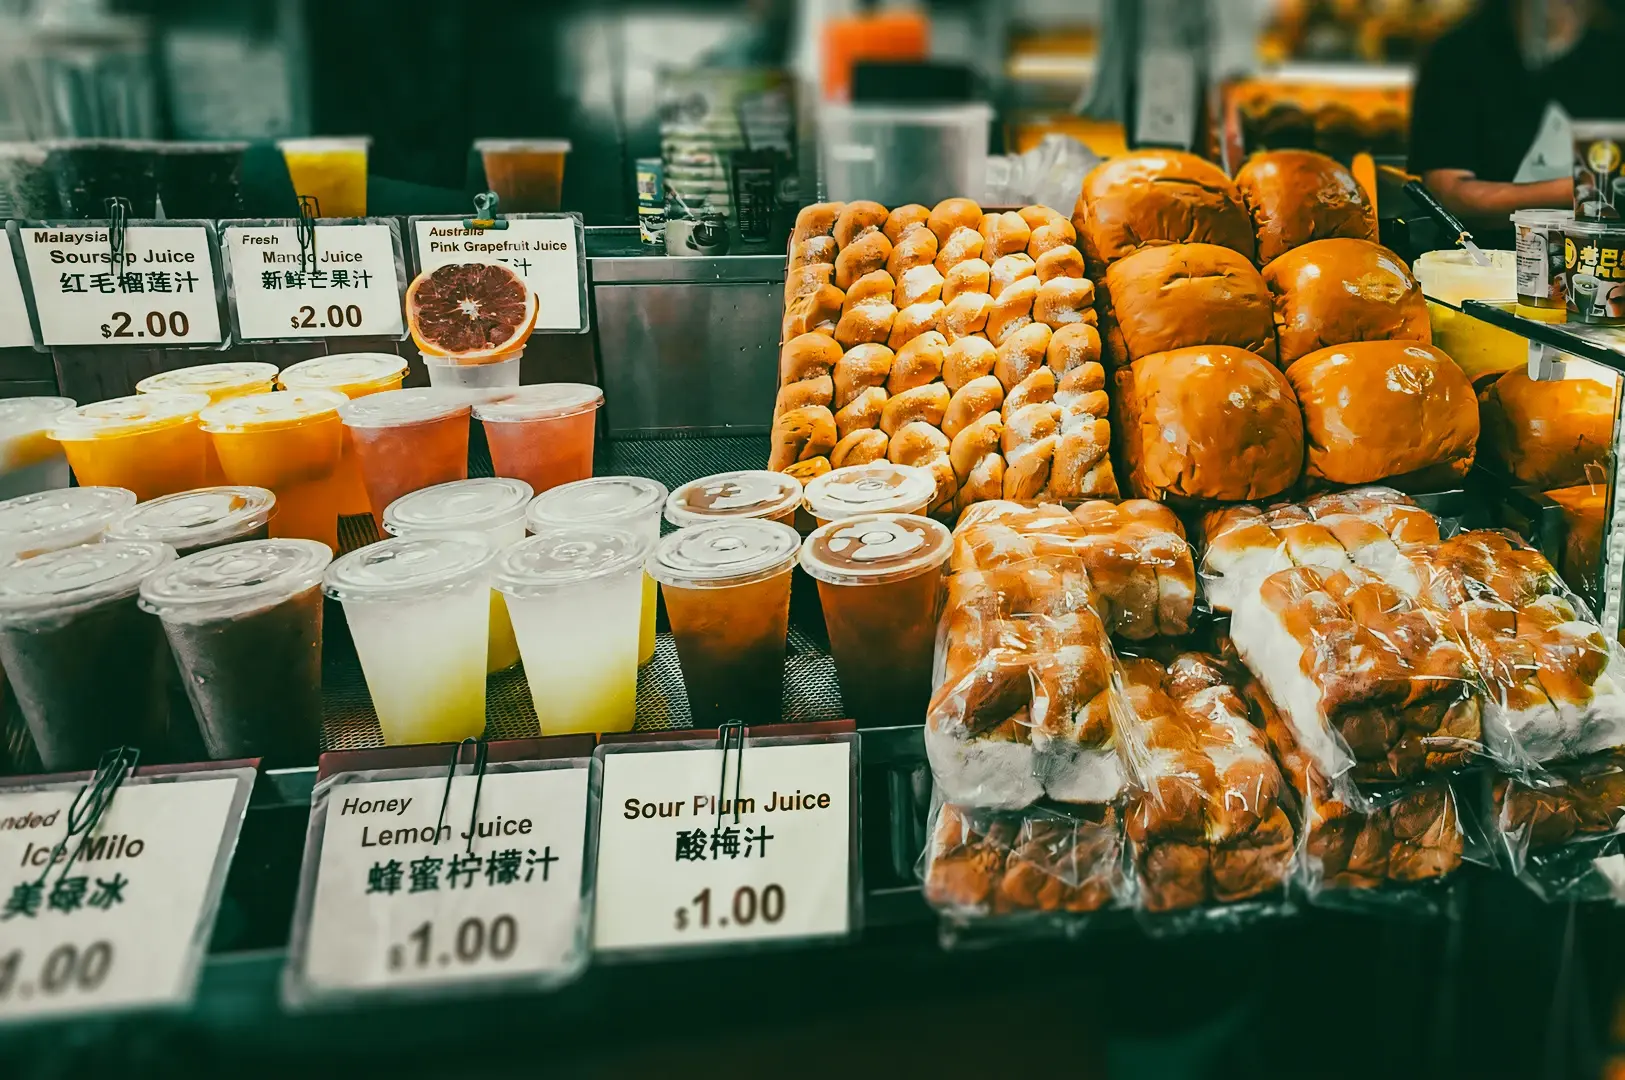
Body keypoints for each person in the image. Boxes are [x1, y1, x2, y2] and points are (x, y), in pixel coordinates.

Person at [1410, 0, 1625, 245]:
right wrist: (1586, 187)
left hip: (1608, 264)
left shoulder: (1614, 50)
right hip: (1486, 262)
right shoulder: (1457, 54)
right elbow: (1451, 194)